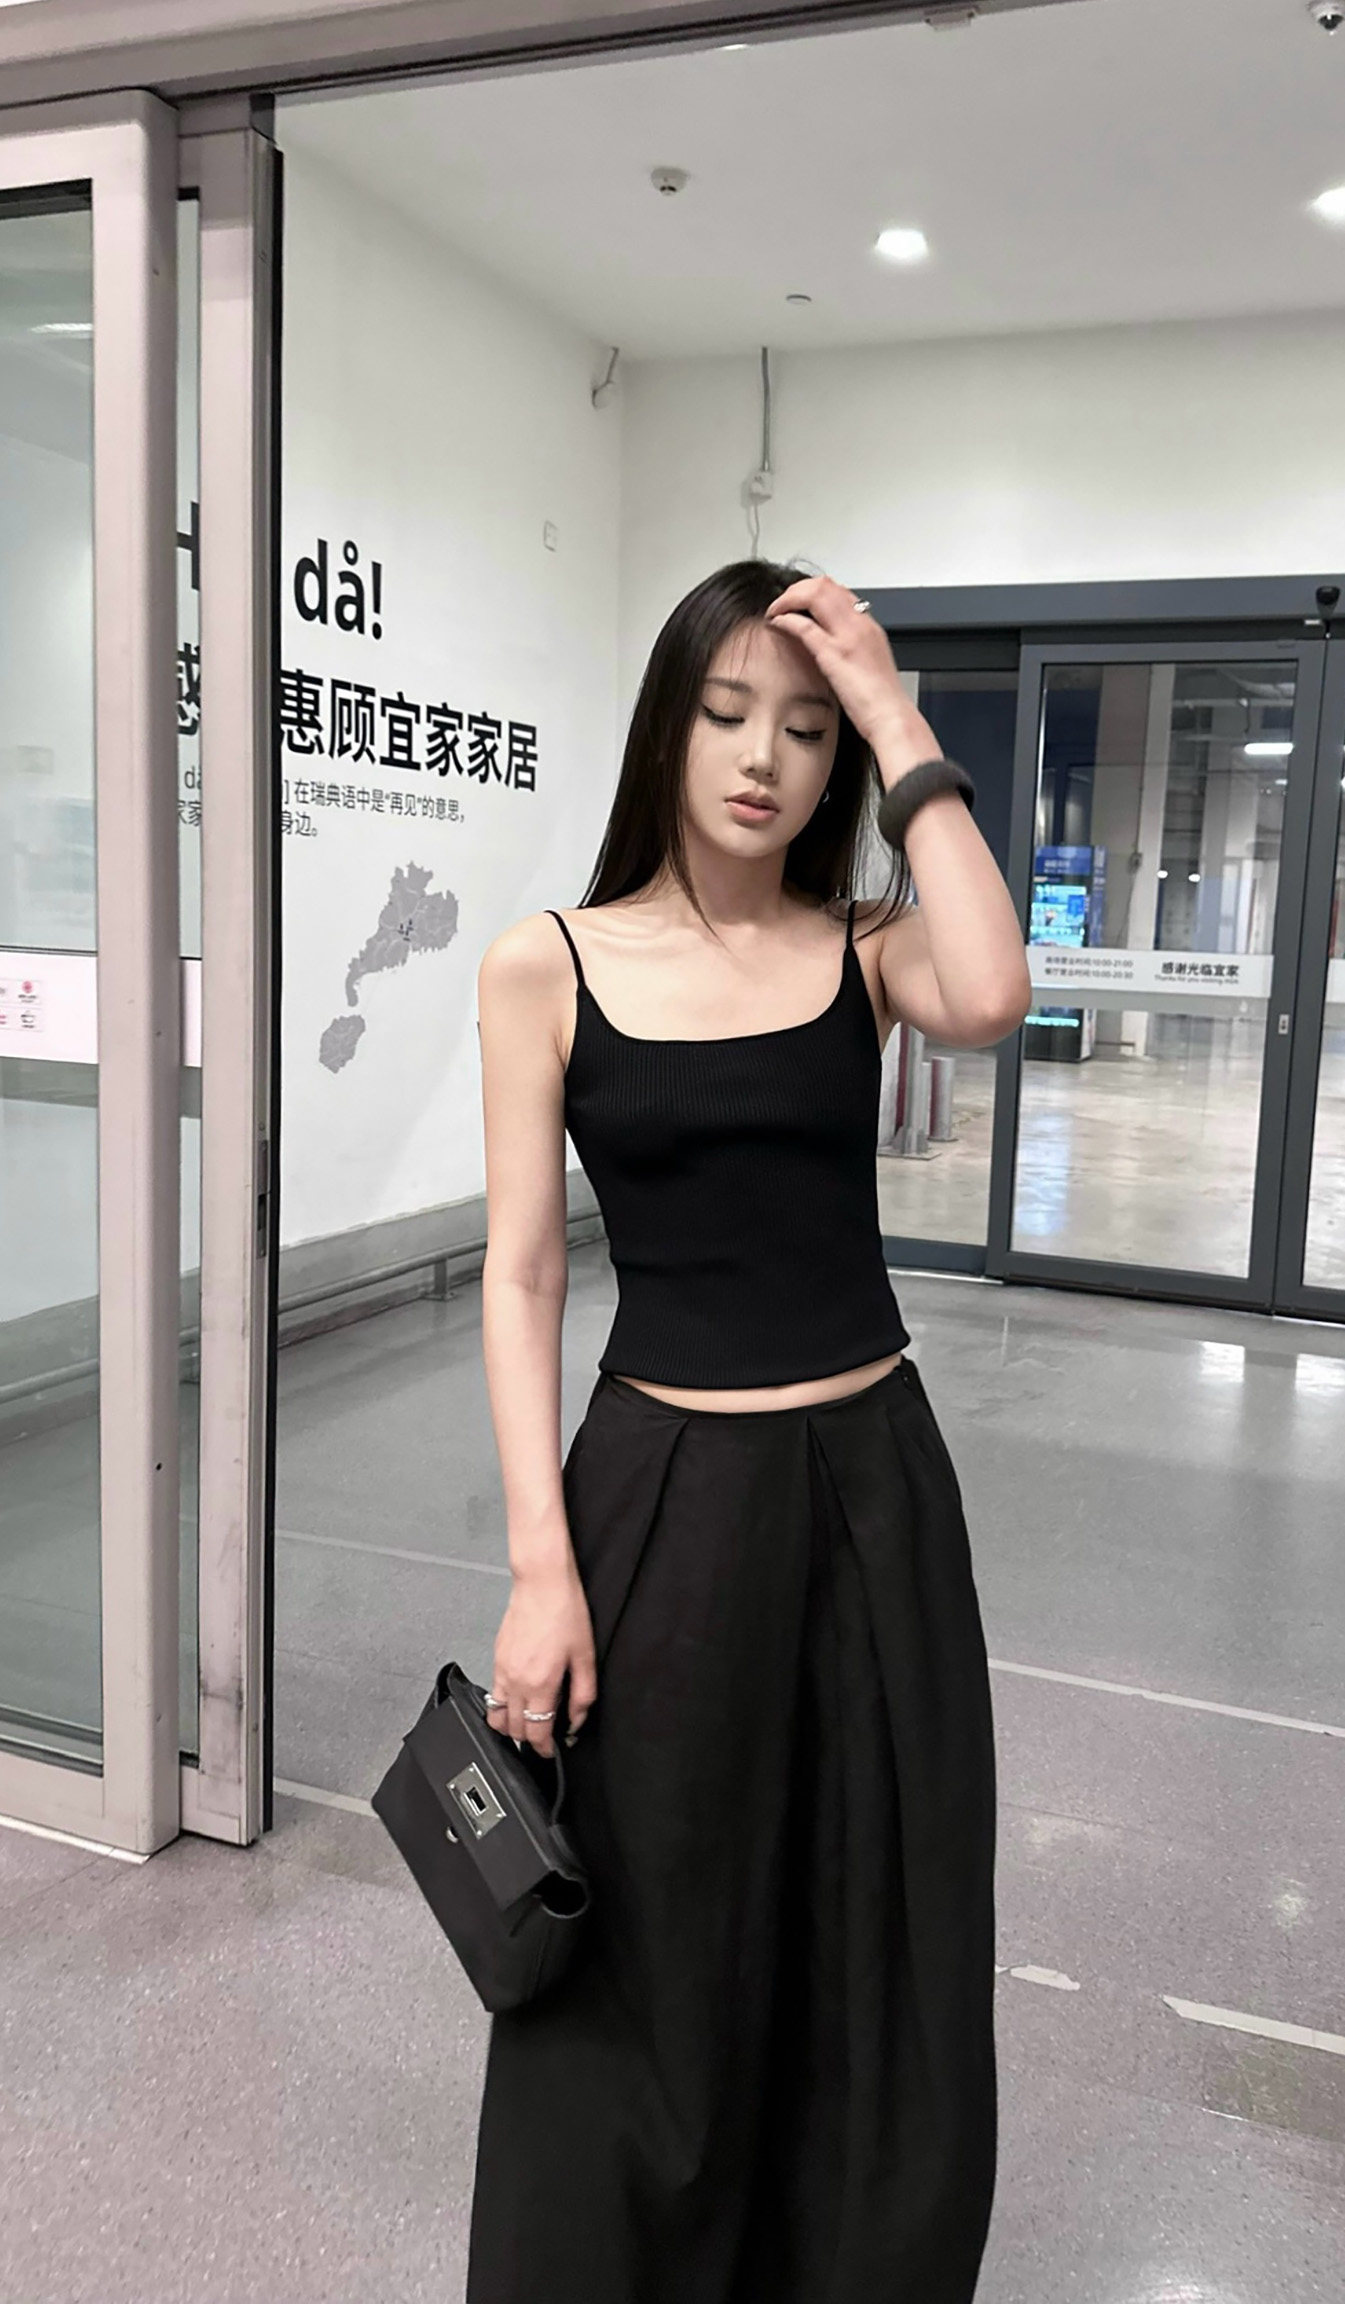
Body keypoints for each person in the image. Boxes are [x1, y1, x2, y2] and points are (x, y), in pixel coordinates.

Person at [463, 559, 1032, 2304]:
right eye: (725, 716)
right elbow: (523, 1275)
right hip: (663, 1495)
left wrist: (896, 713)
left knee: (878, 1909)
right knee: (654, 1921)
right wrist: (541, 1568)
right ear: (667, 730)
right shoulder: (546, 964)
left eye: (802, 730)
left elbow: (994, 990)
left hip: (873, 1493)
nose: (763, 759)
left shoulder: (861, 947)